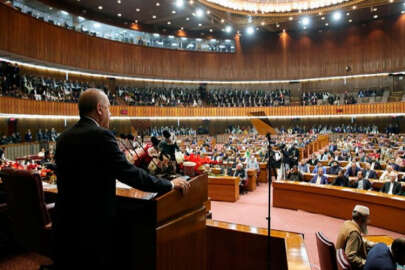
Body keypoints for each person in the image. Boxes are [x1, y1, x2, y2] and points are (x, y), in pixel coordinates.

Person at [54, 89, 190, 269]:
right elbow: (130, 174)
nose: (110, 114)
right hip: (95, 225)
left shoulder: (63, 138)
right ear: (100, 109)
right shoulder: (101, 136)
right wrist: (170, 184)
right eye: (109, 109)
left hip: (66, 222)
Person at [336, 205, 374, 270]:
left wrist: (368, 243)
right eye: (367, 219)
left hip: (339, 263)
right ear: (362, 219)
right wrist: (367, 263)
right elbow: (350, 256)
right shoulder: (354, 233)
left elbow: (354, 240)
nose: (368, 222)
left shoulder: (347, 223)